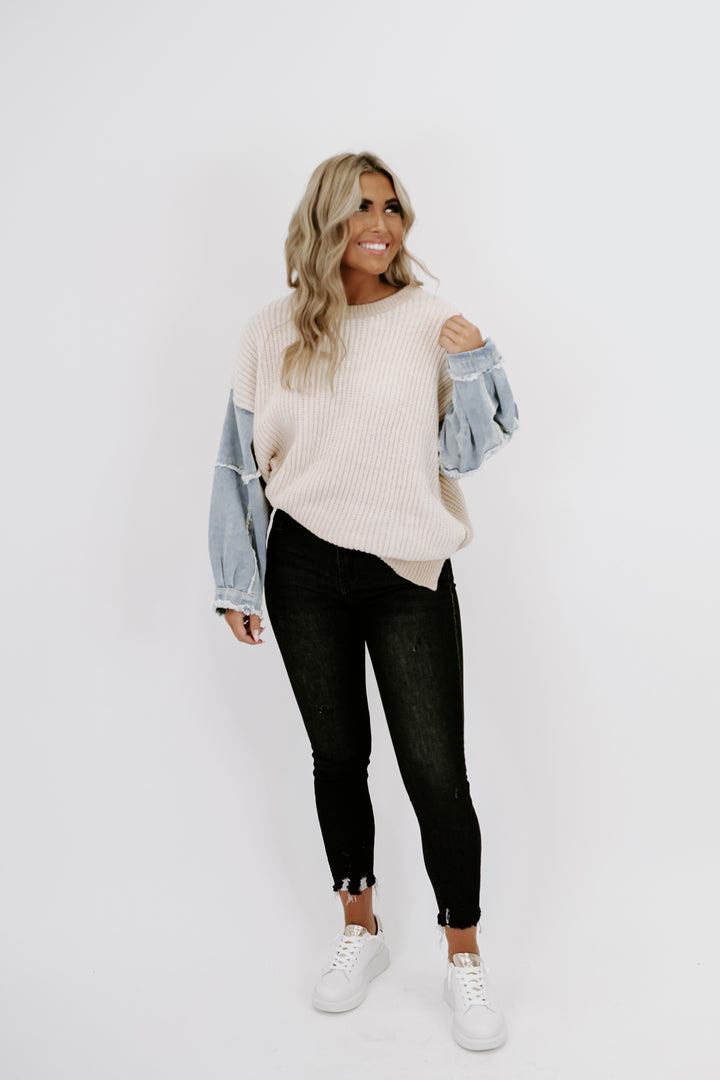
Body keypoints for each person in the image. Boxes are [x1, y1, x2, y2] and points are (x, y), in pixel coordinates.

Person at [208, 151, 519, 1052]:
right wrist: (235, 578)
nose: (380, 224)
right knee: (337, 758)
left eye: (391, 208)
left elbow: (464, 453)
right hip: (302, 566)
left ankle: (463, 953)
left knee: (435, 771)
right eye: (359, 207)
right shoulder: (270, 330)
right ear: (324, 220)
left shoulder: (429, 321)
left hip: (406, 568)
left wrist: (473, 364)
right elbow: (237, 461)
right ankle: (361, 929)